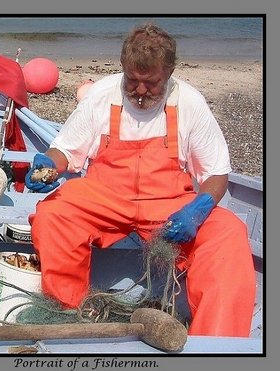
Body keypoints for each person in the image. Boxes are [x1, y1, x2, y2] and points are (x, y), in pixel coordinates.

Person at [25, 23, 256, 337]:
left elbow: (216, 172)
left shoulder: (189, 102)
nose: (140, 91)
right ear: (123, 68)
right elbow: (66, 149)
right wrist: (48, 165)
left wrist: (198, 209)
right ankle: (68, 316)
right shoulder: (101, 95)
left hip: (169, 205)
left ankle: (216, 343)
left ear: (169, 73)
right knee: (53, 216)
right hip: (103, 197)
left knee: (228, 232)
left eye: (152, 83)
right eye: (132, 81)